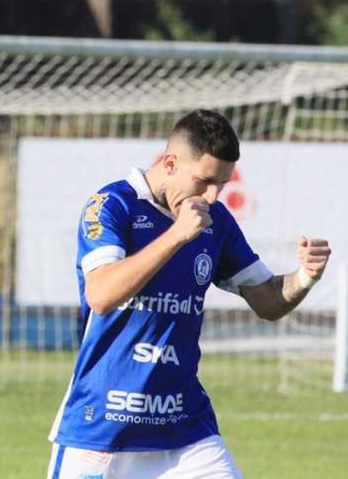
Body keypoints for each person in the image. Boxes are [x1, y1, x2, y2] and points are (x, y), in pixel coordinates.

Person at [47, 109, 331, 478]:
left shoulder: (217, 223)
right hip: (101, 426)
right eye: (204, 181)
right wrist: (177, 235)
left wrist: (306, 275)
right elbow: (100, 295)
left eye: (222, 186)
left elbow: (268, 300)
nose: (212, 196)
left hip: (182, 428)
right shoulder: (112, 205)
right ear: (169, 163)